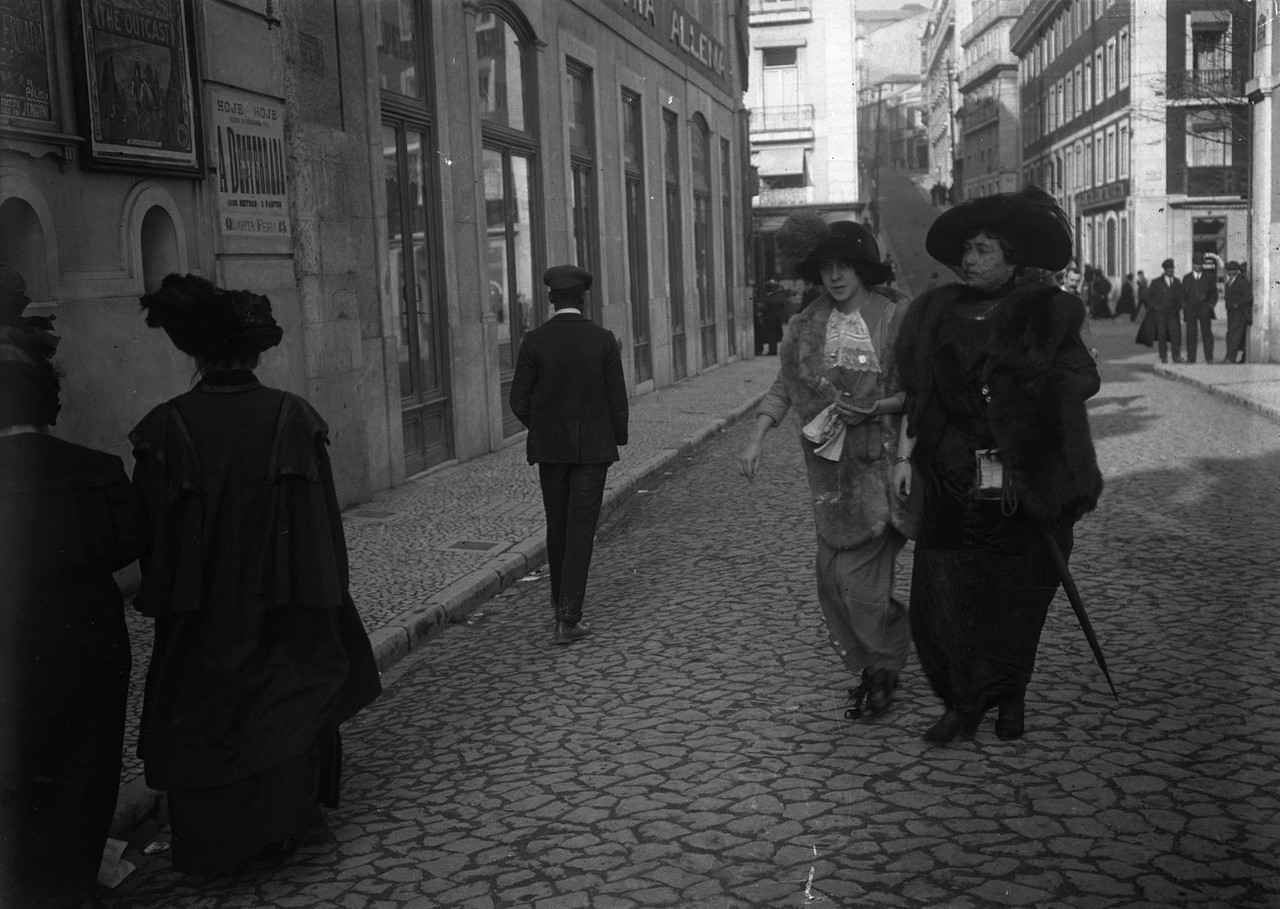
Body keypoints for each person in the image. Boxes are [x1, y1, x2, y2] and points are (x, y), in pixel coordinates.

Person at [129, 274, 381, 874]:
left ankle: (214, 841)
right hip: (282, 595)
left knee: (208, 707)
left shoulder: (166, 426)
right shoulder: (292, 416)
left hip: (202, 607)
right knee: (282, 694)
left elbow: (149, 535)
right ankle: (284, 826)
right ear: (256, 353)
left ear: (194, 355)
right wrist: (327, 592)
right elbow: (323, 523)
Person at [894, 186, 1103, 744]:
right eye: (966, 249)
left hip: (1019, 476)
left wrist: (1022, 391)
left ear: (1011, 256)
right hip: (950, 474)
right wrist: (907, 456)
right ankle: (963, 704)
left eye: (984, 249)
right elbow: (920, 394)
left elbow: (1084, 376)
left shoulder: (1045, 311)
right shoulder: (939, 313)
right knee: (945, 597)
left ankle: (1011, 695)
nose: (970, 259)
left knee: (1015, 596)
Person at [0, 266, 144, 909]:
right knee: (86, 761)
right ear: (48, 403)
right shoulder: (99, 470)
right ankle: (70, 880)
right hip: (86, 634)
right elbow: (127, 549)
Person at [739, 219, 913, 722]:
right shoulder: (806, 326)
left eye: (845, 266)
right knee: (830, 581)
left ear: (862, 269)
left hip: (881, 470)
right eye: (827, 268)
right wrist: (756, 438)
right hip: (830, 477)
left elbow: (916, 397)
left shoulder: (892, 318)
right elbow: (784, 388)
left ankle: (881, 673)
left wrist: (879, 417)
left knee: (856, 582)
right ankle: (883, 645)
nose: (835, 277)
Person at [510, 265, 629, 645]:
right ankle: (568, 617)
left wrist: (542, 429)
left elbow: (518, 401)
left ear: (551, 300)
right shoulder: (603, 340)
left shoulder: (534, 341)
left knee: (557, 526)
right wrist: (616, 437)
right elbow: (617, 400)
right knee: (581, 530)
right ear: (582, 298)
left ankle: (559, 606)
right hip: (594, 449)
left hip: (551, 450)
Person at [1181, 255, 1218, 363]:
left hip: (1204, 309)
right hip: (1191, 309)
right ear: (1193, 265)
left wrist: (1210, 305)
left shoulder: (1209, 277)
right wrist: (1185, 305)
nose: (1198, 266)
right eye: (1196, 264)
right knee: (1191, 334)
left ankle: (1209, 358)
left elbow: (1214, 294)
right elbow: (1182, 293)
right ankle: (1191, 358)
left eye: (1200, 264)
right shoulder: (1187, 278)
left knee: (1207, 334)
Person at [1146, 259, 1183, 363]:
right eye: (1168, 269)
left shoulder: (1177, 282)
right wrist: (1154, 306)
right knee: (1162, 334)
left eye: (1172, 269)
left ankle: (1176, 356)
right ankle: (1163, 356)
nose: (1170, 271)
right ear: (1164, 270)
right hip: (1160, 313)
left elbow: (1181, 297)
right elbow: (1148, 297)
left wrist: (1178, 307)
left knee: (1175, 334)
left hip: (1173, 313)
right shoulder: (1156, 282)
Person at [1223, 261, 1252, 364]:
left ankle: (1230, 358)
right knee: (1231, 335)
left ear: (1236, 271)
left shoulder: (1243, 281)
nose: (1230, 273)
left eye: (1232, 270)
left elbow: (1249, 297)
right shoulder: (1229, 282)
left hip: (1240, 312)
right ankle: (1231, 357)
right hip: (1231, 313)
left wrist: (1237, 305)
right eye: (1228, 270)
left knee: (1234, 335)